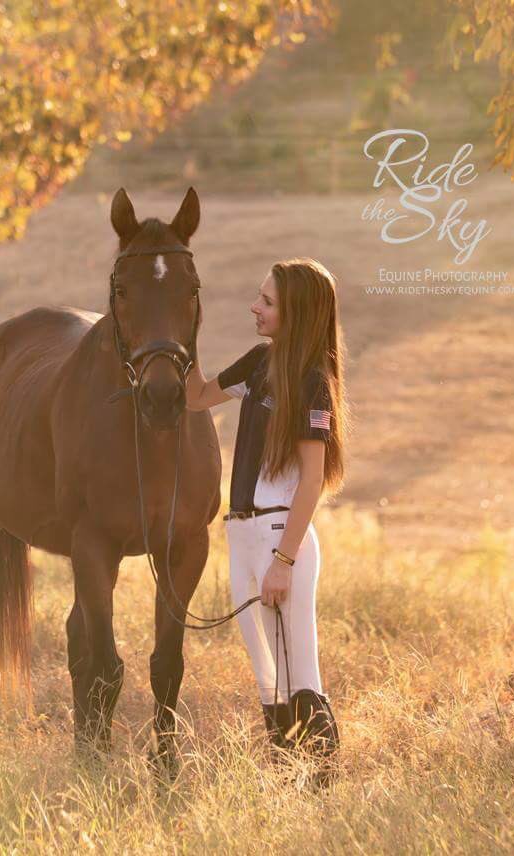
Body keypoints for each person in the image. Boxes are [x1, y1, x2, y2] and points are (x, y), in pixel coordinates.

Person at [185, 257, 348, 777]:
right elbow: (196, 398)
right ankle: (287, 787)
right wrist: (183, 330)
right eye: (259, 297)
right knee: (269, 680)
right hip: (242, 536)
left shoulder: (312, 382)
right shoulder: (259, 363)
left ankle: (323, 786)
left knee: (300, 677)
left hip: (282, 536)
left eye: (268, 301)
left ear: (295, 312)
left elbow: (312, 480)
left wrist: (283, 560)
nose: (255, 307)